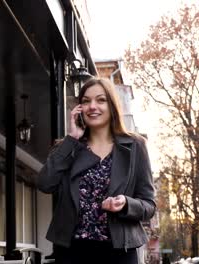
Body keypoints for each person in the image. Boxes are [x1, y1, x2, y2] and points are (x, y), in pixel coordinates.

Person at [37, 77, 156, 264]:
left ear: (112, 105)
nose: (93, 106)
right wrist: (72, 139)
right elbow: (45, 183)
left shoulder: (135, 146)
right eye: (86, 101)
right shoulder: (68, 146)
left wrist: (126, 203)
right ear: (79, 108)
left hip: (120, 253)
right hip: (71, 252)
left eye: (101, 100)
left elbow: (149, 205)